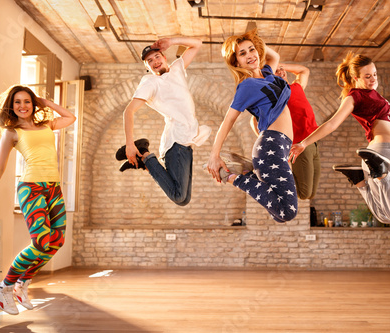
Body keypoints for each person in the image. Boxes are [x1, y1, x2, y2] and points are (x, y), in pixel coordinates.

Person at [289, 52, 390, 225]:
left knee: (384, 216)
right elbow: (332, 124)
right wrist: (304, 143)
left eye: (374, 74)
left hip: (373, 155)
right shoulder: (354, 97)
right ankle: (382, 173)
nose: (373, 79)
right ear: (355, 78)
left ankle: (358, 180)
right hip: (386, 153)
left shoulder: (361, 94)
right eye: (367, 76)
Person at [0, 85, 76, 315]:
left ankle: (22, 283)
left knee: (57, 240)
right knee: (40, 242)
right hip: (31, 188)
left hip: (54, 188)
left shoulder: (46, 125)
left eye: (27, 101)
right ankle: (4, 287)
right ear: (11, 106)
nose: (22, 106)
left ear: (33, 104)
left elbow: (70, 117)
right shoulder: (12, 131)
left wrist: (47, 103)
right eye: (17, 102)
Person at [205, 30, 298, 223]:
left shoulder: (267, 73)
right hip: (270, 146)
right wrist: (214, 155)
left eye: (252, 50)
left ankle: (248, 174)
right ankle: (231, 177)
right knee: (287, 212)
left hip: (281, 147)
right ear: (235, 62)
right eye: (242, 53)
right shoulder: (246, 86)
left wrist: (256, 44)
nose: (250, 55)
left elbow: (275, 56)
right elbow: (228, 121)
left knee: (278, 216)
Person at [116, 37, 211, 206]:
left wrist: (172, 42)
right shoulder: (151, 82)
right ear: (147, 67)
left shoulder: (177, 69)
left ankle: (144, 161)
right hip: (176, 141)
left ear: (165, 57)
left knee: (184, 199)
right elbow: (128, 111)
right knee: (177, 195)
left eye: (157, 57)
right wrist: (129, 144)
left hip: (187, 141)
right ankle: (144, 155)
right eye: (149, 61)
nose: (155, 62)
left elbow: (197, 44)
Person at [250, 63, 320, 200]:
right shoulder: (276, 97)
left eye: (281, 69)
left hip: (313, 143)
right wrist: (267, 140)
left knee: (311, 194)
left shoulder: (297, 87)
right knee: (304, 194)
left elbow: (304, 70)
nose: (281, 72)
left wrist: (280, 65)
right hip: (299, 145)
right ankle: (273, 174)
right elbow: (253, 120)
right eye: (276, 72)